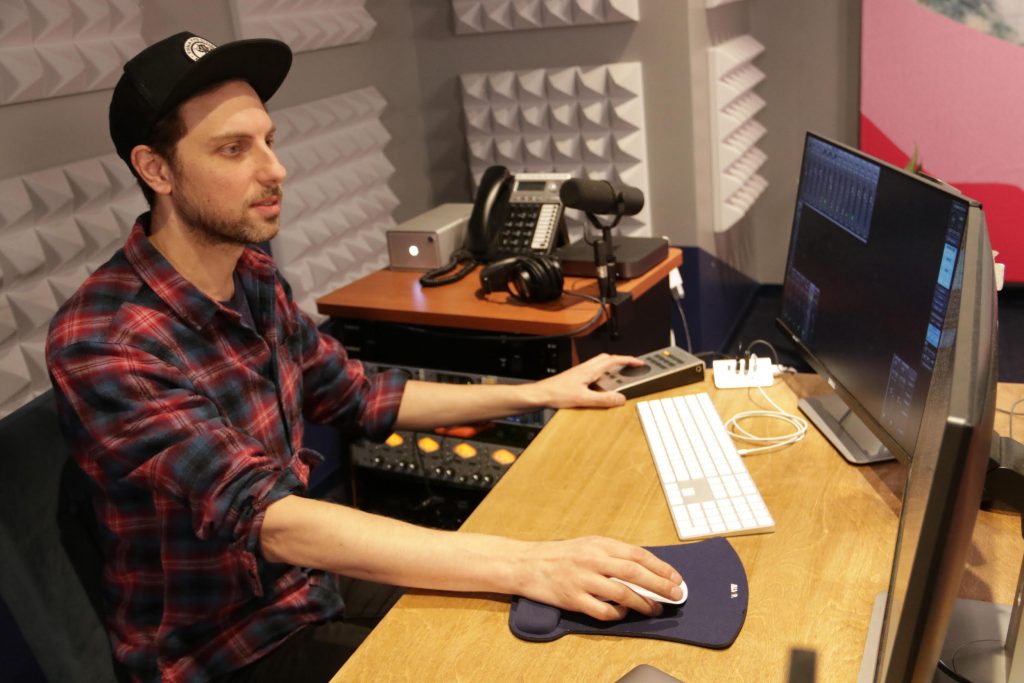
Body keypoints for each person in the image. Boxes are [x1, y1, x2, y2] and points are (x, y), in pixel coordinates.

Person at [46, 32, 683, 682]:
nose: (275, 169)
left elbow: (360, 395)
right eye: (234, 149)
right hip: (227, 652)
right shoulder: (104, 339)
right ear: (156, 170)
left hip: (309, 590)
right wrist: (527, 562)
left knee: (559, 629)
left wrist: (540, 392)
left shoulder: (253, 278)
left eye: (269, 140)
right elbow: (270, 519)